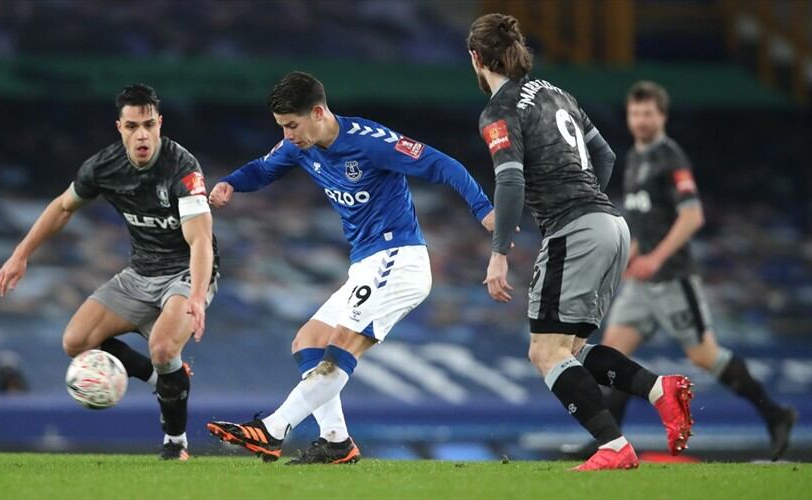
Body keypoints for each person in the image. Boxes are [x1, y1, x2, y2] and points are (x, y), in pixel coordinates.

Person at [205, 71, 495, 464]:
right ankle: (337, 442)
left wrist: (483, 209)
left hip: (398, 258)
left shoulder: (370, 142)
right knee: (308, 340)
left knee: (340, 345)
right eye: (283, 127)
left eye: (292, 125)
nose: (288, 135)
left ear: (319, 112)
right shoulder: (300, 144)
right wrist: (232, 184)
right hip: (366, 264)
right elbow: (264, 168)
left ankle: (273, 429)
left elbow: (443, 164)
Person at [470, 13, 694, 471]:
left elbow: (509, 181)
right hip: (612, 225)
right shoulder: (558, 93)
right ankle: (659, 389)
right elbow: (606, 154)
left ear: (476, 58)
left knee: (544, 351)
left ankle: (612, 445)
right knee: (569, 350)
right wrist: (588, 200)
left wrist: (499, 256)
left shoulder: (499, 111)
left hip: (577, 229)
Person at [0, 84, 218, 460]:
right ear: (120, 128)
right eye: (133, 126)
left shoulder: (183, 168)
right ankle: (158, 375)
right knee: (75, 341)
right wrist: (20, 254)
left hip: (184, 272)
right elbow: (63, 208)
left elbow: (200, 241)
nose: (142, 134)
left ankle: (175, 443)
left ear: (160, 124)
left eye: (149, 124)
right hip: (140, 272)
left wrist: (197, 295)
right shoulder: (103, 167)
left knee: (164, 347)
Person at [599, 80, 796, 461]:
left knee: (705, 356)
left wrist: (655, 258)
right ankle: (609, 443)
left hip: (673, 278)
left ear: (663, 116)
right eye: (635, 113)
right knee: (612, 356)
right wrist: (631, 257)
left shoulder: (670, 157)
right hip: (642, 284)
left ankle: (776, 415)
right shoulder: (637, 159)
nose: (640, 120)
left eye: (648, 113)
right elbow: (646, 224)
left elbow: (692, 215)